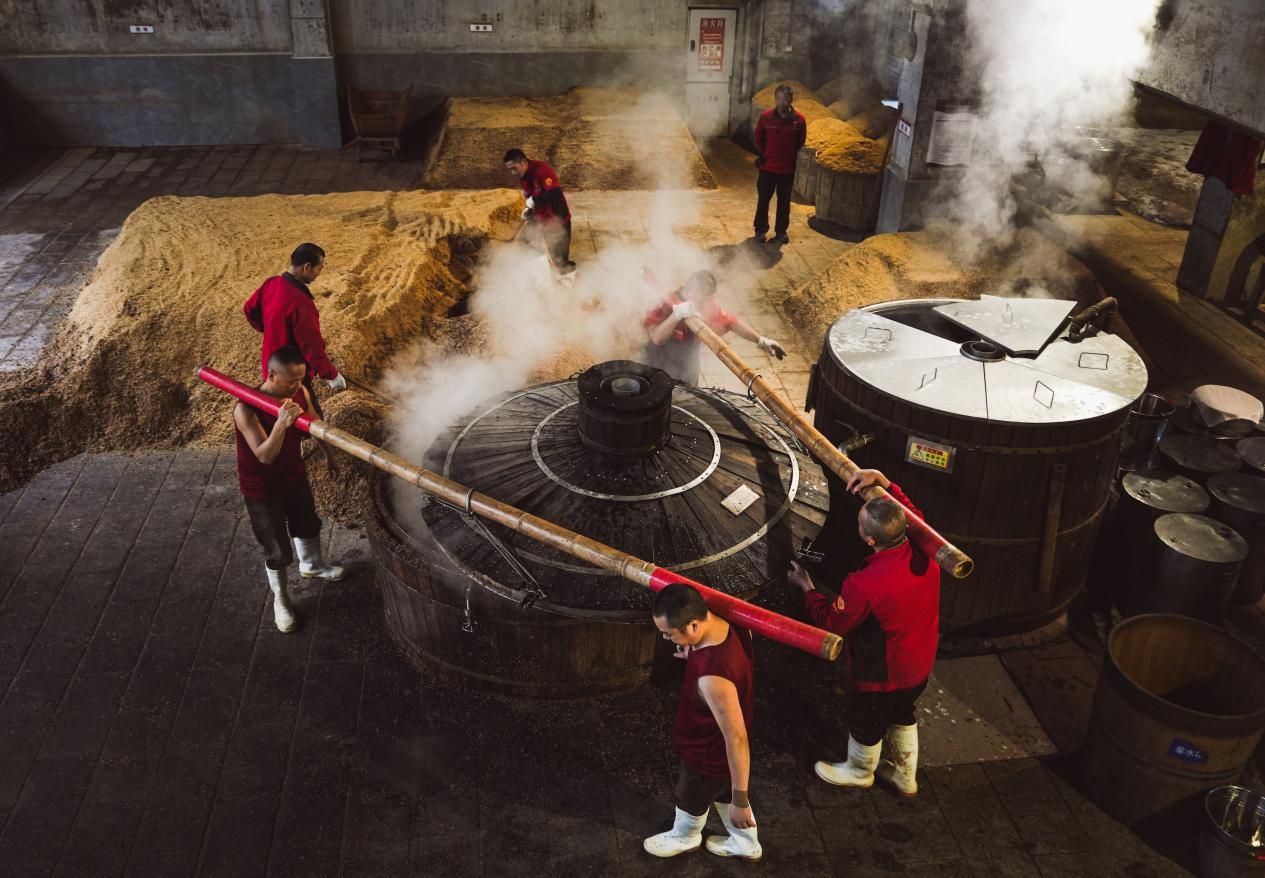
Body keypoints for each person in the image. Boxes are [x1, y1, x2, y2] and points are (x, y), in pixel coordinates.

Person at [787, 467, 939, 797]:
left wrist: (807, 587)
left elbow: (832, 621)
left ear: (869, 539)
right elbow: (910, 511)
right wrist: (884, 481)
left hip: (882, 672)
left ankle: (859, 771)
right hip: (920, 663)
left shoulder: (865, 584)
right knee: (902, 711)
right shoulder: (926, 545)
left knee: (867, 722)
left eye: (859, 522)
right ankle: (903, 775)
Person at [644, 583, 762, 862]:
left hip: (706, 755)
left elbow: (737, 739)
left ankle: (685, 837)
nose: (664, 638)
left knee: (691, 797)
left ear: (693, 625)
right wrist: (693, 655)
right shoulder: (731, 625)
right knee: (721, 794)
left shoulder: (712, 679)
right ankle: (747, 843)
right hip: (717, 757)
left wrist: (742, 801)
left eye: (668, 633)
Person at [234, 345, 346, 633]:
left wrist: (329, 455)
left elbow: (313, 425)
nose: (298, 386)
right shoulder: (246, 409)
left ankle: (312, 566)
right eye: (292, 380)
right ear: (272, 375)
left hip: (294, 475)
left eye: (301, 380)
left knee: (307, 524)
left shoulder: (299, 393)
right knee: (276, 546)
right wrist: (282, 424)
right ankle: (281, 599)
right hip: (262, 487)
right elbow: (265, 455)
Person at [641, 269, 786, 385]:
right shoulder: (663, 302)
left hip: (686, 363)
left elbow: (732, 323)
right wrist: (676, 315)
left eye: (708, 299)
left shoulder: (706, 304)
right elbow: (657, 337)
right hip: (657, 361)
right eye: (703, 298)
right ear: (691, 290)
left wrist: (760, 340)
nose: (706, 303)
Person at [243, 243, 348, 400]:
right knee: (308, 418)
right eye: (319, 268)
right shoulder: (301, 304)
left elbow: (249, 309)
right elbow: (312, 347)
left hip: (270, 366)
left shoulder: (271, 283)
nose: (319, 274)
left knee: (273, 409)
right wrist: (331, 374)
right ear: (307, 267)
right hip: (292, 377)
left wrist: (272, 330)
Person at [502, 148, 576, 276]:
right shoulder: (523, 175)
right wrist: (528, 209)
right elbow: (531, 195)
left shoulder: (541, 170)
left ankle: (568, 283)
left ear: (524, 162)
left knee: (560, 260)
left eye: (514, 168)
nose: (513, 172)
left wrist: (535, 199)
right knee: (527, 244)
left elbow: (556, 193)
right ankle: (542, 277)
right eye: (510, 170)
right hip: (539, 218)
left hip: (556, 221)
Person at [751, 85, 807, 244]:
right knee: (763, 200)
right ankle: (760, 230)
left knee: (784, 203)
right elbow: (758, 138)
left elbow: (800, 141)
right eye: (779, 99)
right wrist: (765, 154)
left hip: (787, 170)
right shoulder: (766, 117)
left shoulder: (799, 120)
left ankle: (781, 232)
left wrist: (787, 155)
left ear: (791, 100)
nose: (782, 102)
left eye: (785, 99)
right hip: (767, 168)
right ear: (775, 99)